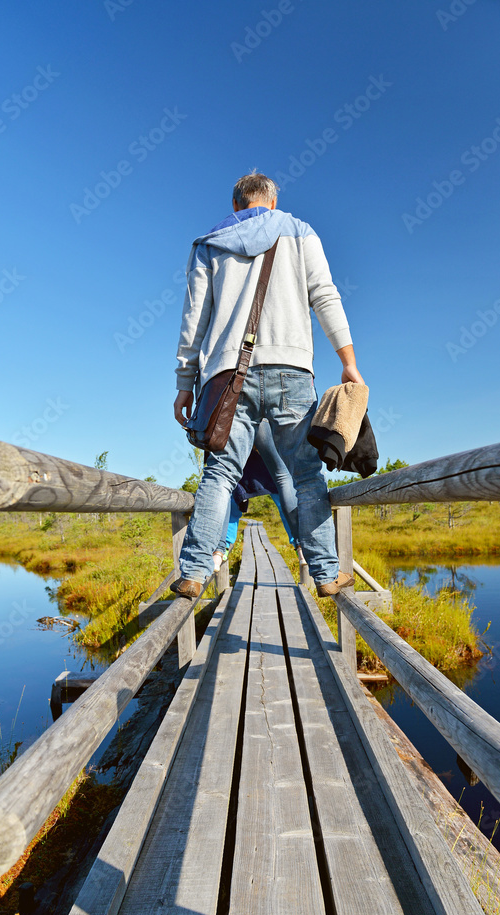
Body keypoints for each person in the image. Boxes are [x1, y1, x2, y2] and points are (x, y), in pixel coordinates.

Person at [171, 171, 364, 598]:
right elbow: (325, 296)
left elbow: (194, 320)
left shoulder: (208, 244)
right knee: (306, 475)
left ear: (236, 206)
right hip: (292, 368)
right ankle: (327, 575)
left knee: (219, 473)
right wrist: (348, 363)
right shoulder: (300, 233)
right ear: (272, 203)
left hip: (225, 375)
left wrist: (186, 382)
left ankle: (194, 572)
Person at [213, 419, 302, 571]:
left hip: (237, 431)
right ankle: (302, 546)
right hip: (260, 434)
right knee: (282, 490)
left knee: (229, 494)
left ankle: (220, 551)